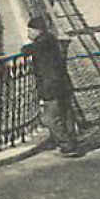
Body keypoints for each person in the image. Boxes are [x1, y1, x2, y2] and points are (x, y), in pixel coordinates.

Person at [22, 15, 79, 157]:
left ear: (38, 31)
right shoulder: (51, 40)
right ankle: (71, 141)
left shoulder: (42, 43)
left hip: (52, 86)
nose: (28, 33)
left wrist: (28, 44)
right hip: (63, 84)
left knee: (49, 118)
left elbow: (27, 50)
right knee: (66, 114)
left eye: (30, 30)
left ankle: (66, 145)